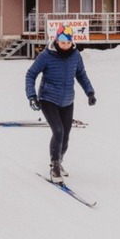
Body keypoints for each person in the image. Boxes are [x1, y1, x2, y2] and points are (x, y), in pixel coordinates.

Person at [25, 24, 95, 183]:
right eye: (62, 42)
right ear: (57, 40)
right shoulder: (46, 55)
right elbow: (31, 74)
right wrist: (31, 96)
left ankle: (60, 161)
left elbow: (81, 75)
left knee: (66, 135)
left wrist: (90, 92)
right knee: (58, 131)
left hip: (67, 100)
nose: (65, 45)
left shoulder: (75, 55)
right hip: (48, 98)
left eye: (68, 42)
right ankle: (54, 166)